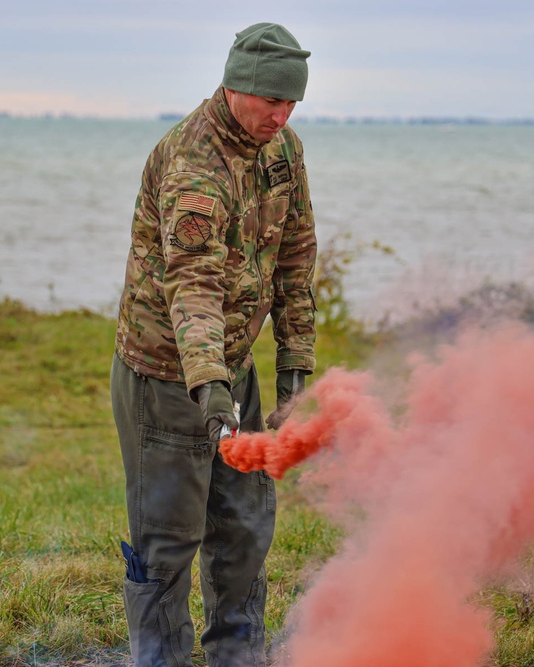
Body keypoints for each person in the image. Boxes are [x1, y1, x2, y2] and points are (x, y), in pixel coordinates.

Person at [109, 22, 317, 667]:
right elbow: (192, 287)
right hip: (167, 379)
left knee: (245, 527)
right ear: (234, 88)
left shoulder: (282, 149)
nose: (279, 115)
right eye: (269, 102)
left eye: (291, 104)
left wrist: (295, 367)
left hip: (235, 369)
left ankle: (237, 656)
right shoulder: (194, 165)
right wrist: (209, 389)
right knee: (170, 538)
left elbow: (295, 260)